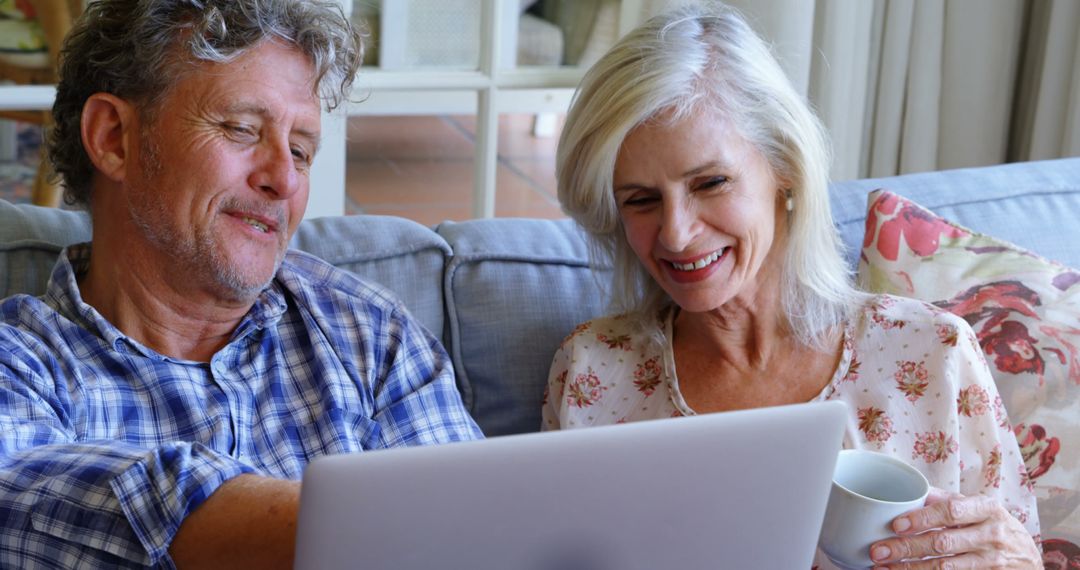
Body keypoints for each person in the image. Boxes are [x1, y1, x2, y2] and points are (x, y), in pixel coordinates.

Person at [543, 3, 1041, 568]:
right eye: (641, 199)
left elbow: (1008, 550)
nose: (676, 233)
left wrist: (1017, 560)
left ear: (785, 169)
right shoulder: (591, 372)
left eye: (710, 183)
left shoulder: (934, 353)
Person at [0, 1, 483, 568]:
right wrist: (380, 530)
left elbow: (481, 535)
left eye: (300, 151)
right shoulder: (20, 366)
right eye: (241, 129)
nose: (284, 179)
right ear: (113, 138)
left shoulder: (370, 336)